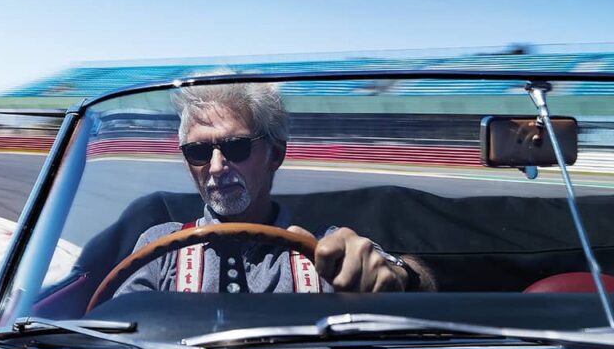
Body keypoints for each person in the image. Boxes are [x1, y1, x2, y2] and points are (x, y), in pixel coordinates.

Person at [115, 80, 433, 295]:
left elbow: (419, 284)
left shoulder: (328, 251)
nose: (215, 167)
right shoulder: (159, 247)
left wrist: (401, 276)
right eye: (198, 152)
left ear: (275, 154)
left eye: (236, 147)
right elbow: (114, 343)